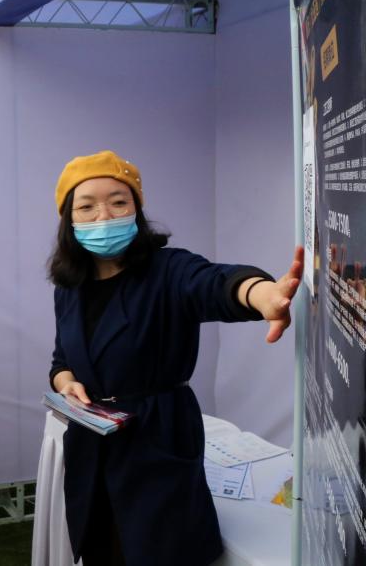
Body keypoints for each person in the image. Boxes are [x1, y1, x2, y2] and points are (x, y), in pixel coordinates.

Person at [46, 151, 301, 566]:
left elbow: (216, 282)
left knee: (160, 548)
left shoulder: (167, 270)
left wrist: (263, 295)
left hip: (156, 436)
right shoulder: (69, 288)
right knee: (102, 547)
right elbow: (61, 360)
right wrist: (65, 382)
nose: (103, 216)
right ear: (68, 220)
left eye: (118, 202)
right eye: (86, 206)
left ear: (136, 209)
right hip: (92, 444)